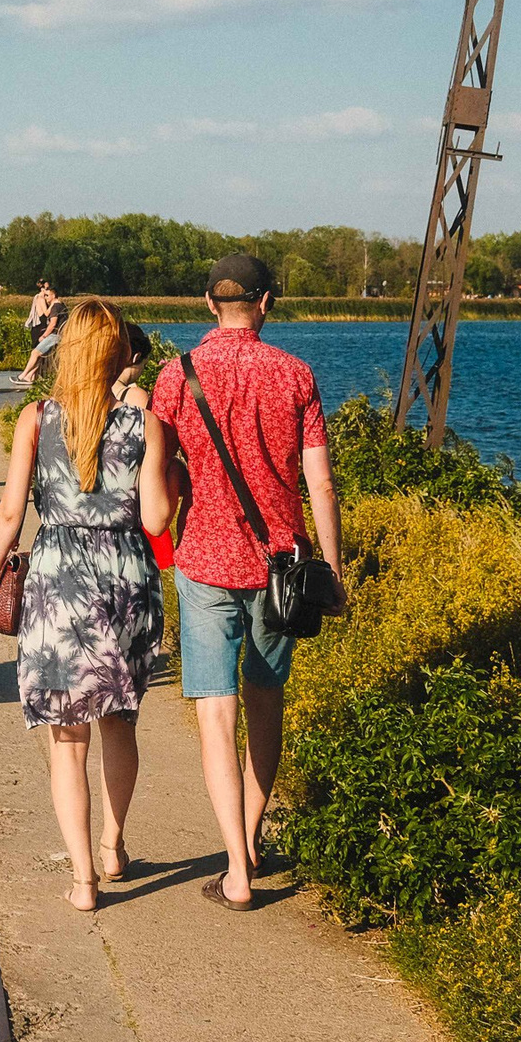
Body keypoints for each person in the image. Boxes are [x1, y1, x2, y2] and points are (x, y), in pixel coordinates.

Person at [143, 253, 345, 909]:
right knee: (266, 703)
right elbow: (320, 480)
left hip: (203, 560)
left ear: (208, 302)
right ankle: (251, 839)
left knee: (215, 713)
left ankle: (235, 867)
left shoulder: (175, 376)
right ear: (266, 302)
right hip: (281, 567)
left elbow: (159, 471)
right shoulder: (296, 374)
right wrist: (334, 571)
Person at [0, 298, 164, 912]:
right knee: (121, 719)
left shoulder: (37, 418)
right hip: (125, 576)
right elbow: (158, 517)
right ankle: (113, 844)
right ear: (116, 354)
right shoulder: (145, 423)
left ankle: (84, 880)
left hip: (58, 577)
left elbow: (11, 512)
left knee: (67, 736)